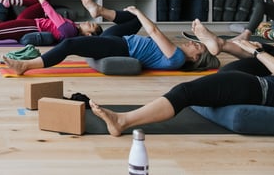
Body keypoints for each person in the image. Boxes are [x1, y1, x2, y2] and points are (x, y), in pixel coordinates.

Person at [89, 37, 274, 136]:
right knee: (226, 73)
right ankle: (218, 44)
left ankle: (123, 121)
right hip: (255, 78)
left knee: (185, 92)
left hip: (262, 88)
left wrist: (257, 52)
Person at [2, 6, 219, 75]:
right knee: (134, 19)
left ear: (196, 57)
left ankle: (26, 66)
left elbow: (152, 30)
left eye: (196, 45)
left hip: (121, 47)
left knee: (70, 45)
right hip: (120, 40)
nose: (192, 43)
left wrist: (140, 11)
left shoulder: (178, 58)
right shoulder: (178, 56)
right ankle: (98, 11)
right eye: (195, 42)